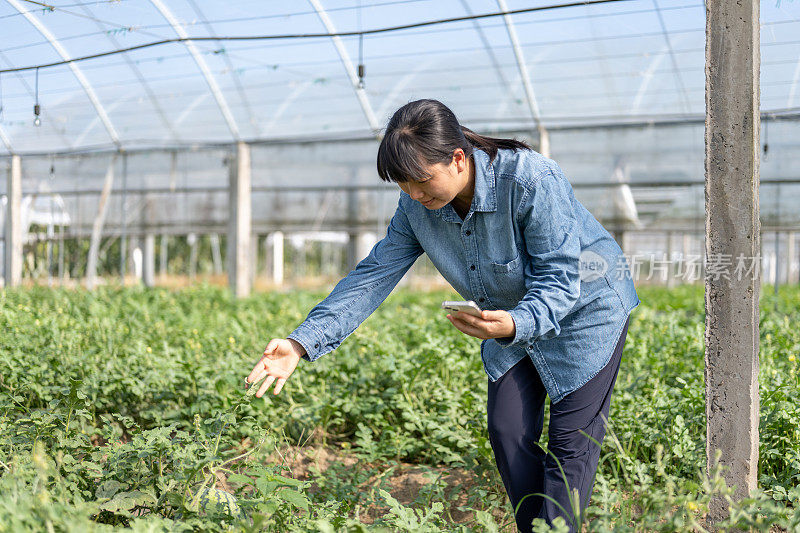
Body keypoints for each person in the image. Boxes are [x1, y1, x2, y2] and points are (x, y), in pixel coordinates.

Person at [245, 99, 640, 532]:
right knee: (508, 431)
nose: (414, 194)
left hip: (586, 307)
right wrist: (301, 343)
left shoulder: (529, 179)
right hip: (509, 320)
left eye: (420, 180)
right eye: (403, 185)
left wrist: (514, 323)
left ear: (457, 159)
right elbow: (374, 274)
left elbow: (561, 277)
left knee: (571, 444)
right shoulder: (418, 209)